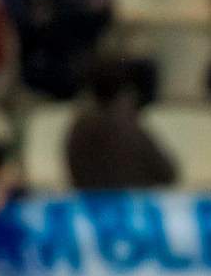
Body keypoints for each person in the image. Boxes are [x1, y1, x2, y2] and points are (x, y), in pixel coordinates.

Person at [5, 0, 110, 100]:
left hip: (82, 67)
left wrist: (56, 17)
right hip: (40, 70)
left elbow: (101, 16)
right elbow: (27, 26)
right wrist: (76, 14)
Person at [65, 60, 178, 190]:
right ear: (125, 93)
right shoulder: (129, 131)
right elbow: (168, 173)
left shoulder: (77, 129)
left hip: (90, 206)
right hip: (129, 206)